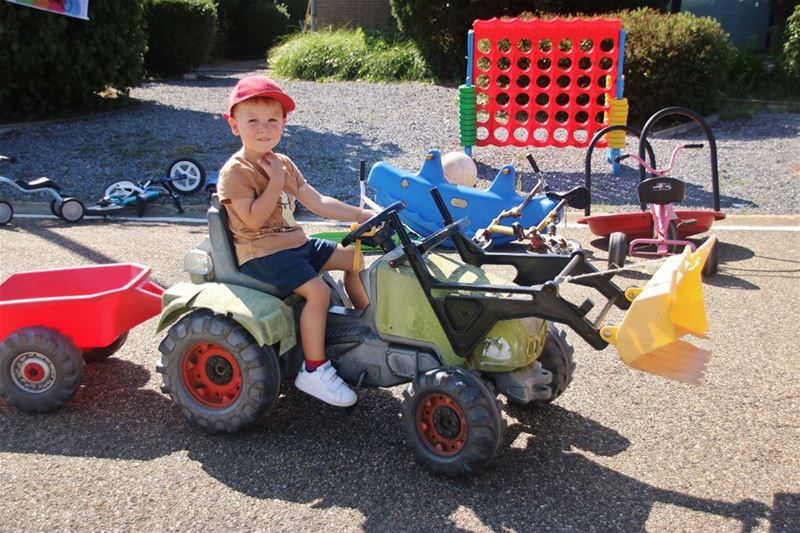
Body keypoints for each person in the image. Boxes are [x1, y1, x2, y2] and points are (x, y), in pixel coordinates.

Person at [217, 75, 375, 407]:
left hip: (293, 245)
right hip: (261, 254)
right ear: (235, 125)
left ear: (284, 123)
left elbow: (317, 202)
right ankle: (314, 370)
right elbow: (254, 219)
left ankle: (366, 322)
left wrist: (359, 215)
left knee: (355, 258)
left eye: (272, 120)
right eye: (253, 121)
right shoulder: (236, 172)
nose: (264, 128)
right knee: (316, 292)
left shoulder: (283, 163)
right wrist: (274, 182)